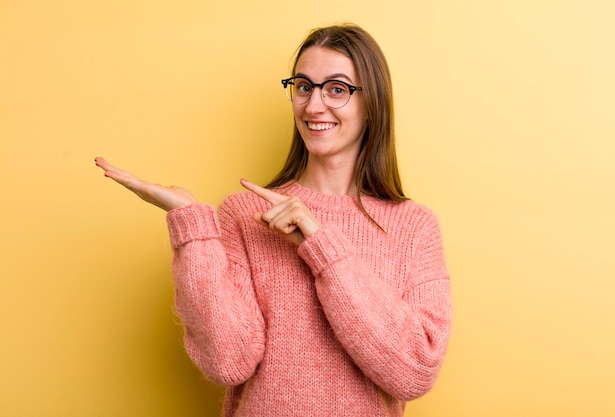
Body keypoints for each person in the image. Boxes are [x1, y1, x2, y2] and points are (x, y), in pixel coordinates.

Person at [95, 23, 451, 417]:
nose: (313, 106)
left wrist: (321, 246)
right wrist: (191, 226)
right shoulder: (244, 214)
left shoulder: (414, 226)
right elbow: (228, 362)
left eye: (337, 89)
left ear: (373, 103)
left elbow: (414, 372)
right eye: (303, 86)